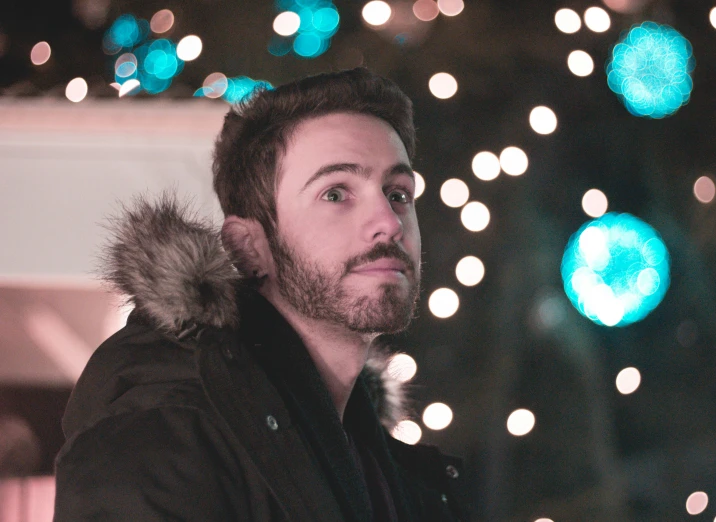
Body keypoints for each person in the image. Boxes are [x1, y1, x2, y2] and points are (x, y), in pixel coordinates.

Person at [54, 67, 470, 521]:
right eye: (335, 193)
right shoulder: (162, 434)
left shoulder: (386, 469)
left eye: (398, 193)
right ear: (249, 246)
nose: (389, 223)